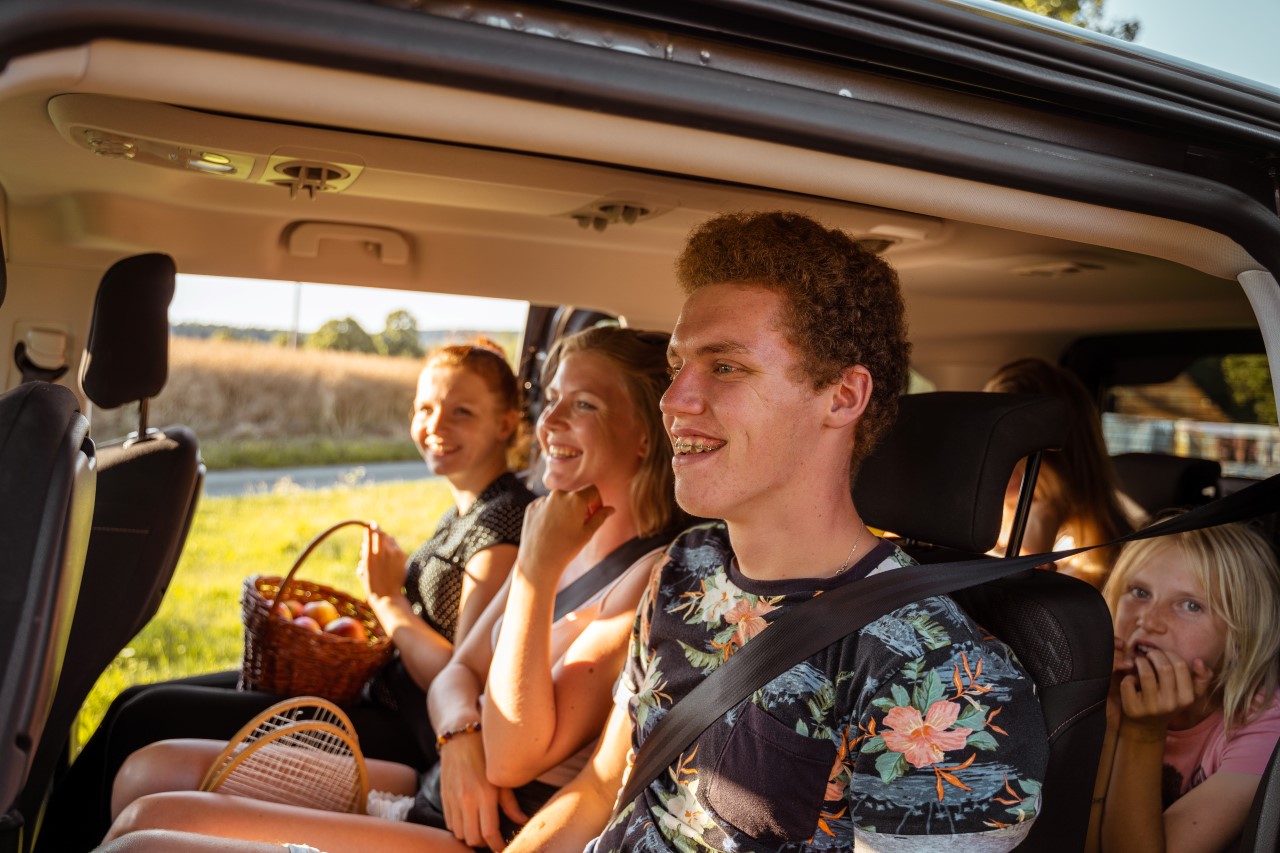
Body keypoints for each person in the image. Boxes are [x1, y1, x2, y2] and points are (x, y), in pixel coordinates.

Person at [502, 211, 1049, 852]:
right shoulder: (684, 567)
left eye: (725, 367)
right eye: (678, 366)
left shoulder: (943, 680)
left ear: (842, 397)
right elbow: (603, 789)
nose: (673, 400)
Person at [102, 326, 685, 853]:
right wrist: (458, 737)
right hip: (437, 783)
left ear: (646, 435)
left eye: (583, 404)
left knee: (147, 835)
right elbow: (457, 673)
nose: (549, 421)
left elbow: (512, 760)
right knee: (146, 778)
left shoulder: (644, 576)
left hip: (489, 833)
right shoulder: (561, 541)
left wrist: (535, 570)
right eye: (551, 398)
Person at [39, 340, 534, 852]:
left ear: (506, 423)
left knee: (147, 718)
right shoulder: (467, 511)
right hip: (370, 694)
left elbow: (462, 675)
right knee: (134, 703)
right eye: (425, 408)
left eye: (462, 412)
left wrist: (387, 601)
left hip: (405, 729)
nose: (436, 424)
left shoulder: (503, 525)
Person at [1088, 519, 1280, 853]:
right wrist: (1111, 716)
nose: (1148, 620)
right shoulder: (1089, 685)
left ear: (1239, 639)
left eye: (1191, 605)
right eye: (1140, 592)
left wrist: (1142, 732)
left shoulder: (1265, 726)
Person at [984, 357, 1136, 588]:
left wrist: (1031, 557)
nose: (987, 458)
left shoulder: (1104, 561)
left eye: (1001, 444)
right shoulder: (988, 531)